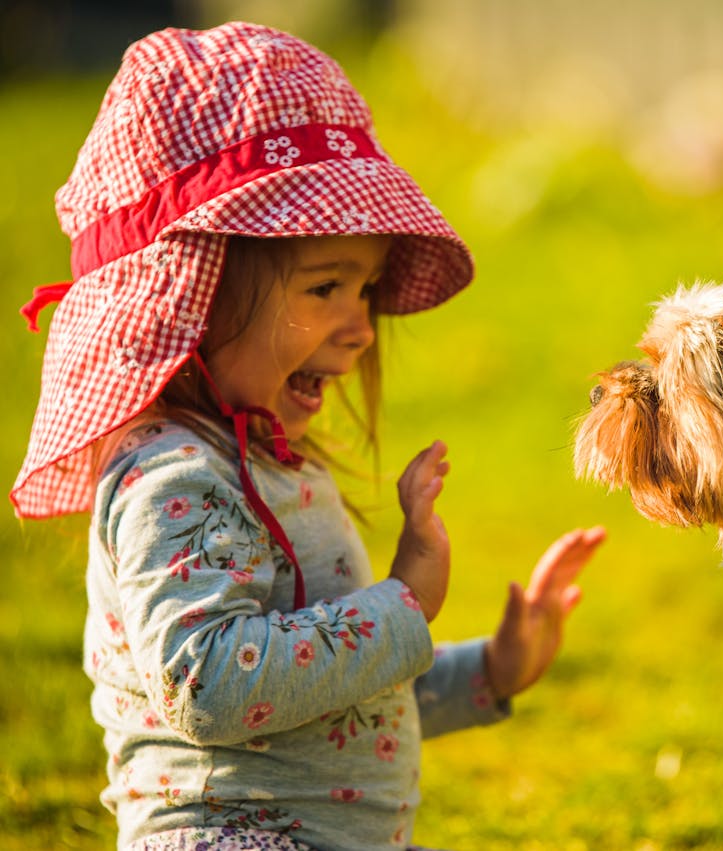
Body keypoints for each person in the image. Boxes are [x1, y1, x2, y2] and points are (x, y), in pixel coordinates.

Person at [10, 21, 605, 851]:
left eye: (364, 289)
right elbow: (211, 684)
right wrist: (401, 605)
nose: (361, 328)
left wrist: (491, 668)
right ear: (195, 289)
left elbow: (330, 695)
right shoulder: (170, 478)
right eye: (326, 286)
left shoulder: (267, 465)